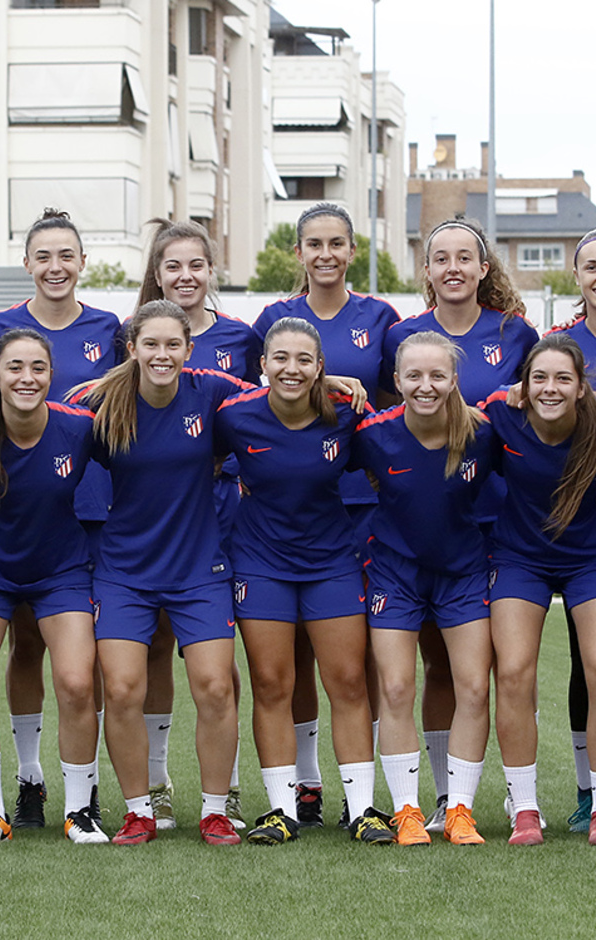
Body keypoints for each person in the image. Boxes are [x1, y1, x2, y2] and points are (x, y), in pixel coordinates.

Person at [71, 300, 250, 846]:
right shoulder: (101, 403)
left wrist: (330, 375)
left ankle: (217, 811)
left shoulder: (212, 391)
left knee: (216, 687)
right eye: (151, 344)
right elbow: (37, 426)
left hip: (199, 566)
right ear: (132, 348)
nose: (162, 354)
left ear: (189, 349)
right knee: (122, 689)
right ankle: (138, 810)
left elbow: (281, 398)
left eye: (173, 344)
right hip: (125, 568)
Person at [380, 216, 537, 831]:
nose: (452, 268)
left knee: (460, 669)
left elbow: (532, 407)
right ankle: (414, 801)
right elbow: (379, 418)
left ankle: (456, 799)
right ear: (426, 271)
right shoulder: (402, 334)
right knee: (411, 670)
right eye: (440, 258)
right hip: (407, 526)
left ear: (482, 268)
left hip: (483, 522)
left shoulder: (514, 332)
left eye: (464, 258)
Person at [215, 317, 393, 846]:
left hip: (332, 562)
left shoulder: (347, 414)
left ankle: (361, 808)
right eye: (281, 358)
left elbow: (399, 443)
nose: (291, 369)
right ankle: (280, 809)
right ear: (262, 365)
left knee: (349, 682)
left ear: (320, 368)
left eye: (303, 360)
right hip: (260, 561)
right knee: (273, 684)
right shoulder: (233, 415)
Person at [252, 203, 400, 827]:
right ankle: (303, 789)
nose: (326, 254)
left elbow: (398, 400)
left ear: (350, 247)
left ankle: (359, 802)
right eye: (314, 244)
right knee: (288, 665)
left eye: (337, 243)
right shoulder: (272, 320)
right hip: (282, 516)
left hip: (358, 509)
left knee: (351, 661)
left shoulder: (380, 317)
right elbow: (244, 401)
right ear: (299, 252)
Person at [0, 209, 121, 829]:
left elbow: (126, 396)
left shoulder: (107, 326)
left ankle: (81, 801)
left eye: (67, 255)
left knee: (74, 663)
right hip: (11, 510)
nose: (56, 266)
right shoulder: (1, 327)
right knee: (20, 649)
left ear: (82, 262)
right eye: (44, 256)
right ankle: (29, 777)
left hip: (82, 507)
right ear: (28, 263)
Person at [0, 328, 106, 845]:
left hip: (60, 569)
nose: (27, 378)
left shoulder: (79, 428)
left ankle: (81, 810)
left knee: (78, 683)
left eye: (37, 368)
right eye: (14, 367)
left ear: (52, 376)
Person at [131, 218, 257, 830]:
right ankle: (153, 784)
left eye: (196, 265)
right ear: (157, 274)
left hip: (222, 513)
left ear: (211, 272)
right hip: (155, 515)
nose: (186, 276)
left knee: (215, 659)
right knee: (151, 646)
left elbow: (269, 400)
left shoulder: (241, 337)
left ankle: (224, 789)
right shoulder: (129, 341)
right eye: (173, 266)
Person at [352, 331, 494, 845]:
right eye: (414, 375)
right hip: (395, 572)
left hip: (463, 571)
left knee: (473, 687)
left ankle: (460, 809)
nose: (426, 385)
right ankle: (407, 810)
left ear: (455, 380)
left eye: (437, 375)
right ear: (397, 381)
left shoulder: (484, 432)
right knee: (394, 687)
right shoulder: (373, 433)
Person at [484, 333, 596, 846]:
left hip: (594, 559)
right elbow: (448, 413)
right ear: (524, 383)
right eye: (539, 377)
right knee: (514, 672)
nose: (550, 388)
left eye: (563, 378)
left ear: (582, 387)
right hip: (520, 558)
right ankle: (525, 808)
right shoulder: (503, 409)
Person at [543, 228, 596, 831]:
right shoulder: (558, 347)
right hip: (589, 530)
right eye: (592, 266)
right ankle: (591, 791)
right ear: (576, 275)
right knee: (590, 663)